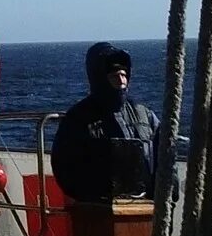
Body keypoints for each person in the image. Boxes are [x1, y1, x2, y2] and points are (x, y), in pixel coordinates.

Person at [50, 42, 158, 204]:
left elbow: (164, 155)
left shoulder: (145, 115)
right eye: (115, 76)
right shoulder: (78, 118)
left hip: (146, 207)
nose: (122, 81)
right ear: (100, 77)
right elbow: (64, 166)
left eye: (124, 75)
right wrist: (92, 197)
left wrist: (167, 192)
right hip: (99, 212)